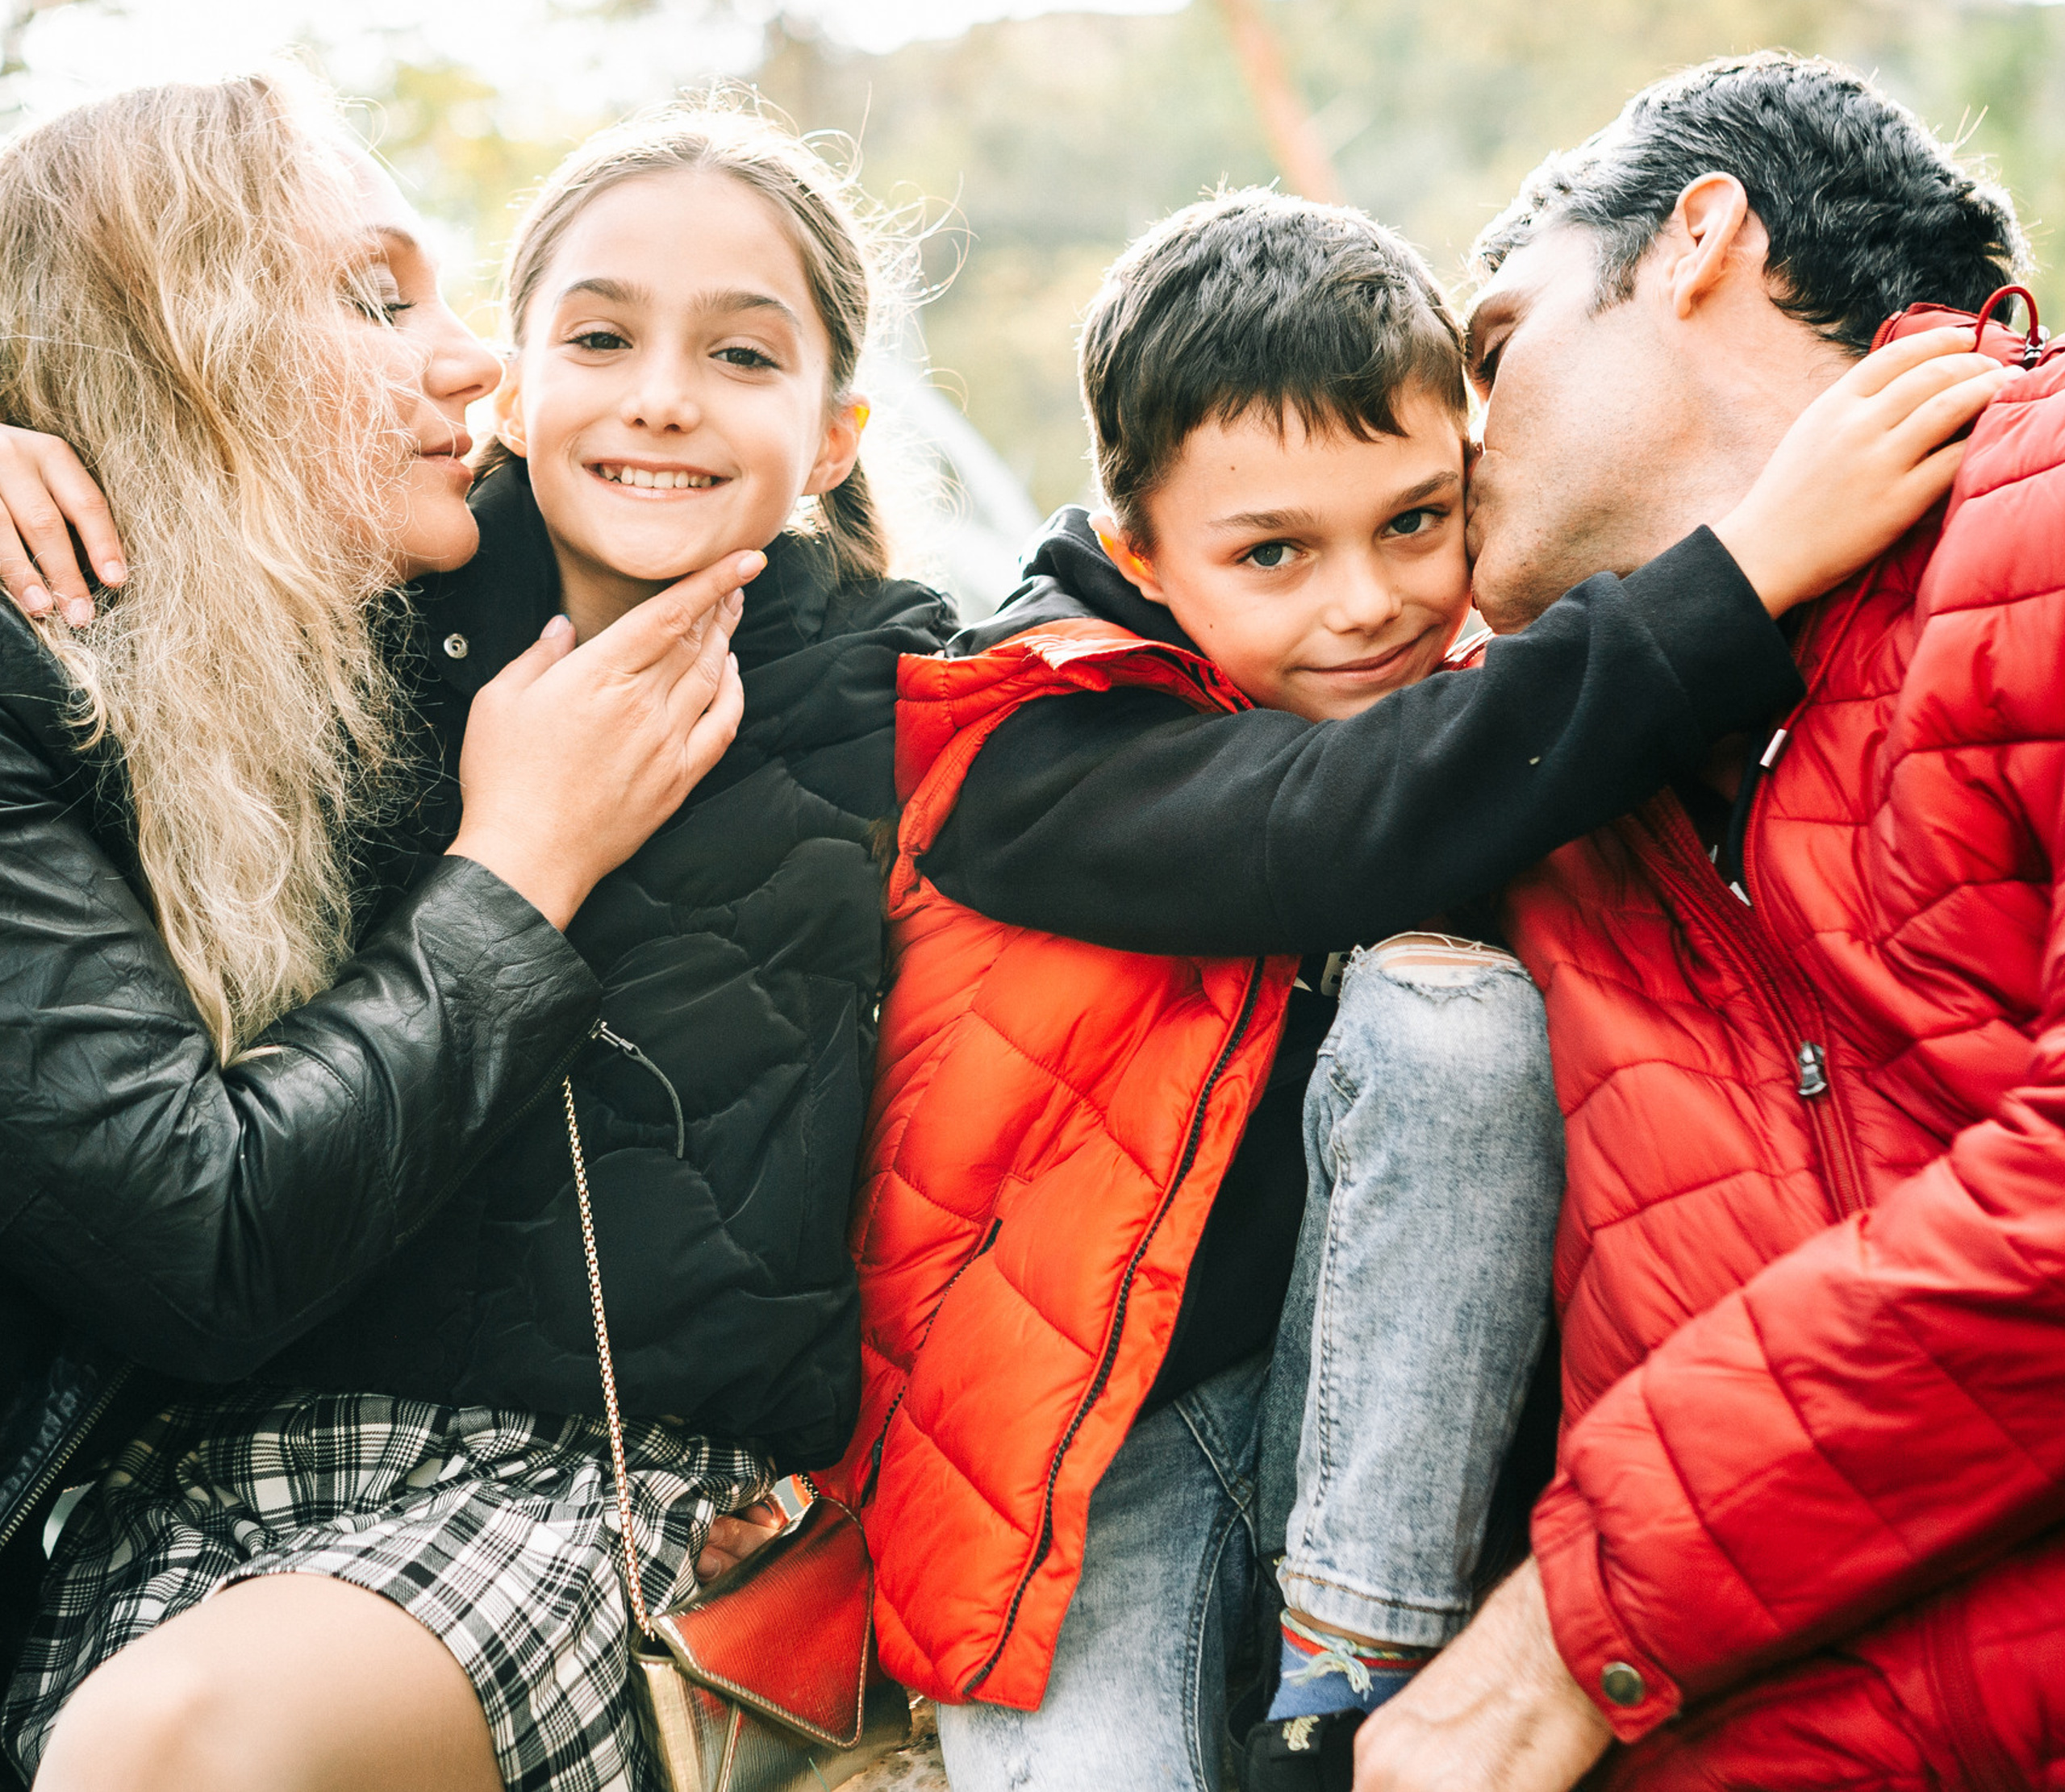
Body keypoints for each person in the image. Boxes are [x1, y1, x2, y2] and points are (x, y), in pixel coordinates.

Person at [815, 186, 1996, 1792]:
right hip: (1093, 1472)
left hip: (1373, 1436)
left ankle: (1334, 1693)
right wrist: (1750, 560)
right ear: (1134, 550)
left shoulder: (1475, 717)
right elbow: (1331, 822)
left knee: (1457, 1021)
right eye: (1272, 553)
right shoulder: (1017, 742)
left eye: (1412, 521)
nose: (1361, 601)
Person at [0, 90, 950, 1792]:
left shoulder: (906, 690)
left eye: (741, 356)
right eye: (384, 304)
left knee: (169, 1749)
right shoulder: (280, 640)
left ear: (831, 428)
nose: (463, 370)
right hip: (182, 1486)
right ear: (176, 354)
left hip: (566, 1485)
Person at [1348, 49, 2064, 1792]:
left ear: (1695, 240)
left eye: (1491, 347)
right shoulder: (1528, 742)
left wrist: (1562, 1631)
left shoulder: (2036, 507)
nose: (1449, 435)